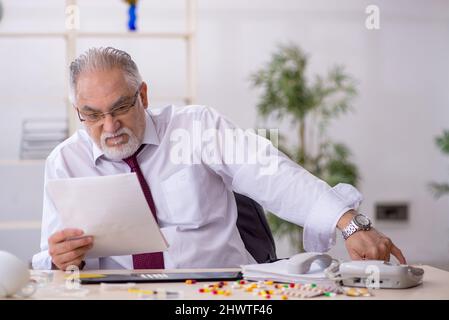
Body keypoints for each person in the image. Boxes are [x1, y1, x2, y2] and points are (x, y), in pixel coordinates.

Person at [32, 47, 406, 271]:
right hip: (119, 294)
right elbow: (53, 259)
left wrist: (349, 223)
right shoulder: (65, 162)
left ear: (143, 95)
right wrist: (63, 258)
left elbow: (270, 172)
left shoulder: (196, 127)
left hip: (219, 293)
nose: (109, 126)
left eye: (121, 107)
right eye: (92, 115)